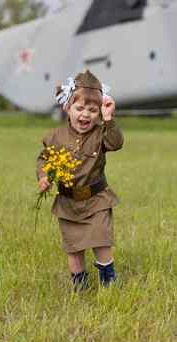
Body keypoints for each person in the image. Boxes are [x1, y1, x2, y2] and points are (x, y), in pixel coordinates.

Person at [37, 70, 124, 290]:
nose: (85, 115)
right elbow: (44, 159)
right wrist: (44, 176)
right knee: (74, 248)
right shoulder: (56, 136)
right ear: (67, 108)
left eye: (92, 110)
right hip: (68, 203)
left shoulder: (101, 133)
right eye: (79, 108)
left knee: (101, 241)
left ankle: (108, 281)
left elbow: (116, 144)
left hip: (97, 199)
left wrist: (108, 118)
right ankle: (80, 285)